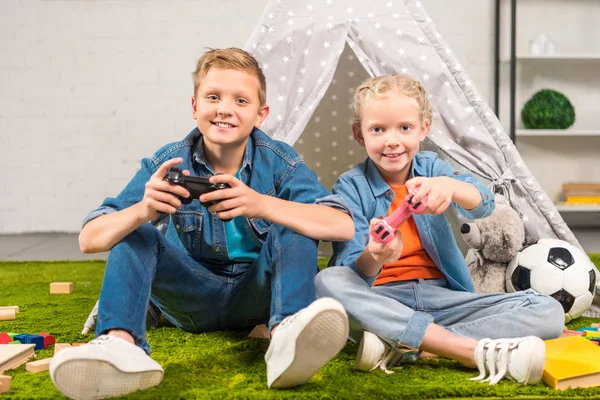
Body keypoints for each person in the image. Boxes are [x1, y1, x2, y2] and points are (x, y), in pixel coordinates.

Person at [49, 48, 354, 399]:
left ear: (260, 114)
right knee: (138, 231)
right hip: (191, 299)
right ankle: (120, 346)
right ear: (194, 107)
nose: (225, 108)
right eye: (213, 97)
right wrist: (143, 210)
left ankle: (287, 334)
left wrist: (262, 205)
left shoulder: (281, 162)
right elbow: (90, 240)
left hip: (256, 296)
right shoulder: (168, 161)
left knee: (294, 220)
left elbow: (342, 226)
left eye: (241, 100)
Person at [314, 74, 565, 385]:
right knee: (328, 280)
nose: (392, 140)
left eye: (404, 128)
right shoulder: (351, 187)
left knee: (548, 310)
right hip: (383, 301)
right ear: (359, 134)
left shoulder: (432, 169)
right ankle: (466, 350)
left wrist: (449, 186)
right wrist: (376, 256)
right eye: (378, 129)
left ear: (424, 128)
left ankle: (413, 347)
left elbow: (484, 203)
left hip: (443, 298)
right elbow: (356, 273)